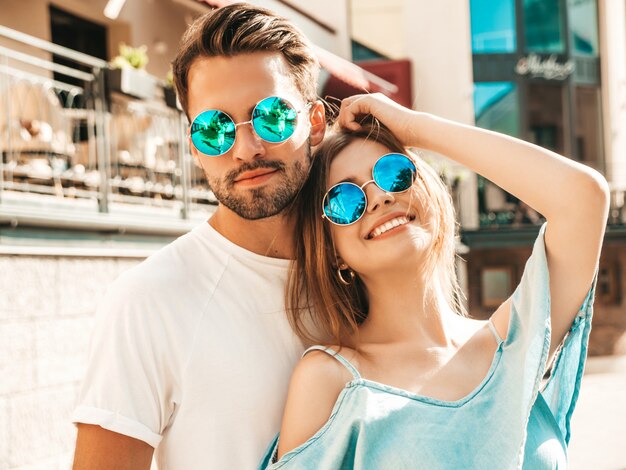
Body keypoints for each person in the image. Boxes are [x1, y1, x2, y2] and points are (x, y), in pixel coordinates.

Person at [259, 94, 609, 469]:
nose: (379, 196)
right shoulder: (330, 379)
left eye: (394, 172)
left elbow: (583, 198)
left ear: (428, 188)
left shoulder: (513, 345)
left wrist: (413, 127)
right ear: (332, 252)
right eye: (344, 199)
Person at [71, 4, 326, 469]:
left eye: (271, 117)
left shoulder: (362, 272)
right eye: (214, 129)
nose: (246, 149)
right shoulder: (149, 300)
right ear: (193, 146)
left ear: (315, 123)